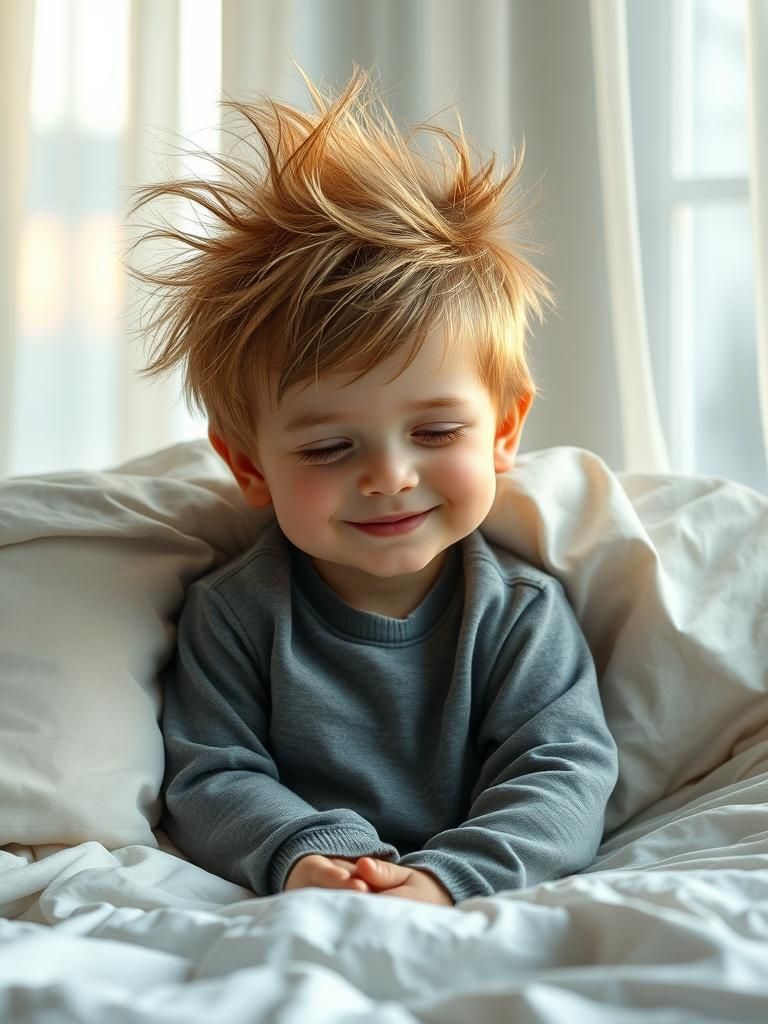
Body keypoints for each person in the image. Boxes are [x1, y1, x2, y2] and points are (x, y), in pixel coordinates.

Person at [125, 63, 618, 907]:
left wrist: (444, 876)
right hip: (319, 886)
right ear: (249, 465)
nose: (390, 475)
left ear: (503, 431)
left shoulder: (520, 614)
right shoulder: (234, 614)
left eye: (434, 433)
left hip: (464, 889)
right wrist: (310, 856)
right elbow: (212, 774)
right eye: (326, 447)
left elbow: (564, 774)